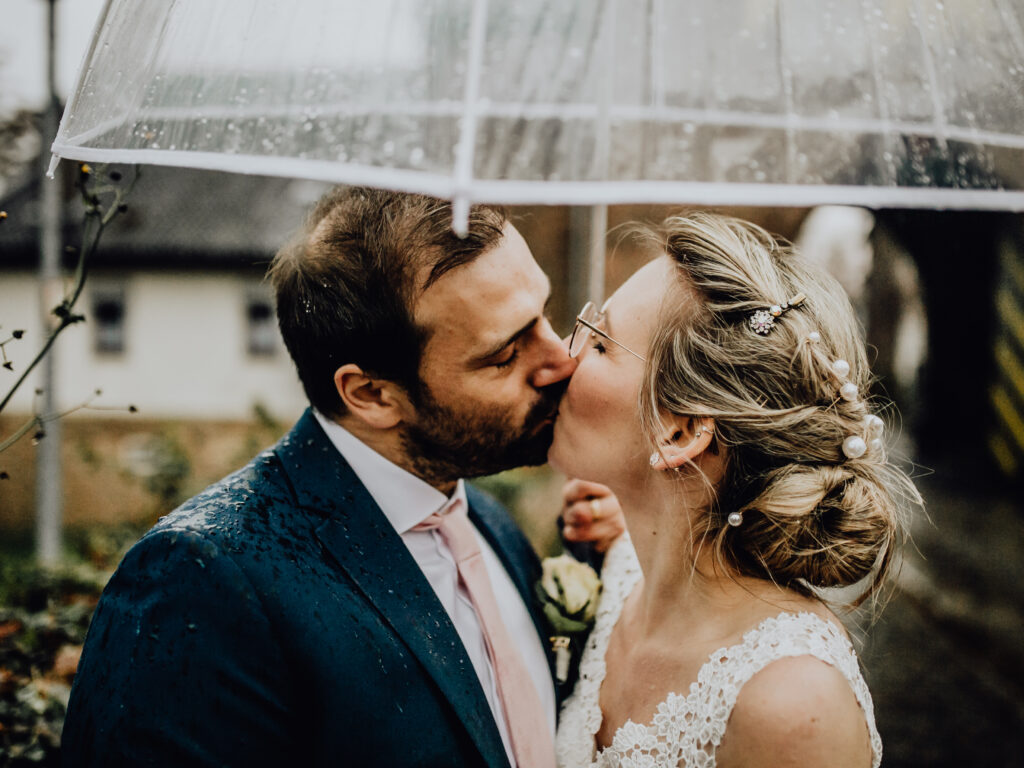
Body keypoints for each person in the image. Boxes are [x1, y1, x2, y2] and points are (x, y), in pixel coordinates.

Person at [62, 187, 608, 767]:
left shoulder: (488, 524)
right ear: (371, 394)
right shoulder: (199, 581)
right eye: (504, 355)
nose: (561, 360)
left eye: (544, 315)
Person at [550, 212, 921, 768]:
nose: (564, 351)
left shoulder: (793, 707)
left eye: (600, 342)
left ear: (680, 432)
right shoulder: (622, 570)